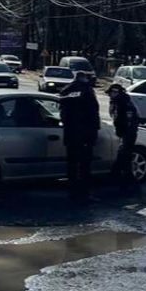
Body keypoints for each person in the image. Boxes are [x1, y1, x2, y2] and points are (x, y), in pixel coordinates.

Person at [59, 70, 100, 203]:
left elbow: (63, 114)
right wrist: (93, 134)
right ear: (85, 79)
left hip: (70, 135)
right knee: (84, 167)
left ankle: (72, 193)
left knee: (71, 165)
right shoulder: (87, 91)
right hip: (84, 135)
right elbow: (93, 114)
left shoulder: (65, 91)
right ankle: (84, 194)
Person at [108, 82, 140, 188]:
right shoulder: (117, 102)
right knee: (123, 157)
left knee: (124, 156)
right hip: (125, 133)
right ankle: (122, 180)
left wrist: (124, 134)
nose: (111, 95)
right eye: (111, 93)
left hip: (128, 134)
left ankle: (124, 181)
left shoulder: (124, 103)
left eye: (113, 92)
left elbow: (129, 121)